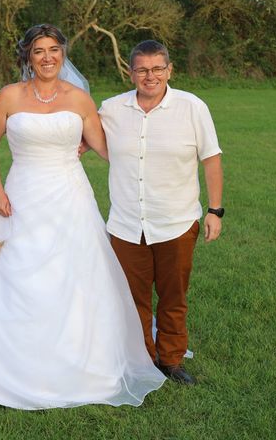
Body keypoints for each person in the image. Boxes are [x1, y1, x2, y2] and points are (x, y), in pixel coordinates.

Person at [0, 24, 166, 409]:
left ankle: (82, 362)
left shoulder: (79, 99)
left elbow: (107, 148)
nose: (47, 57)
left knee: (75, 277)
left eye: (53, 49)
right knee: (14, 274)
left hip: (70, 198)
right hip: (21, 197)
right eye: (38, 51)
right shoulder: (10, 96)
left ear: (63, 54)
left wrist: (158, 155)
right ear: (27, 57)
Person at [100, 40, 224, 386]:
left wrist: (215, 210)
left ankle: (170, 360)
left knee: (173, 296)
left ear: (169, 70)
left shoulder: (192, 107)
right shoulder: (111, 109)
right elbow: (77, 131)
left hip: (176, 221)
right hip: (126, 224)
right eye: (141, 69)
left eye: (157, 69)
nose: (149, 76)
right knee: (132, 299)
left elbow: (211, 158)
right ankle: (141, 359)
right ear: (130, 72)